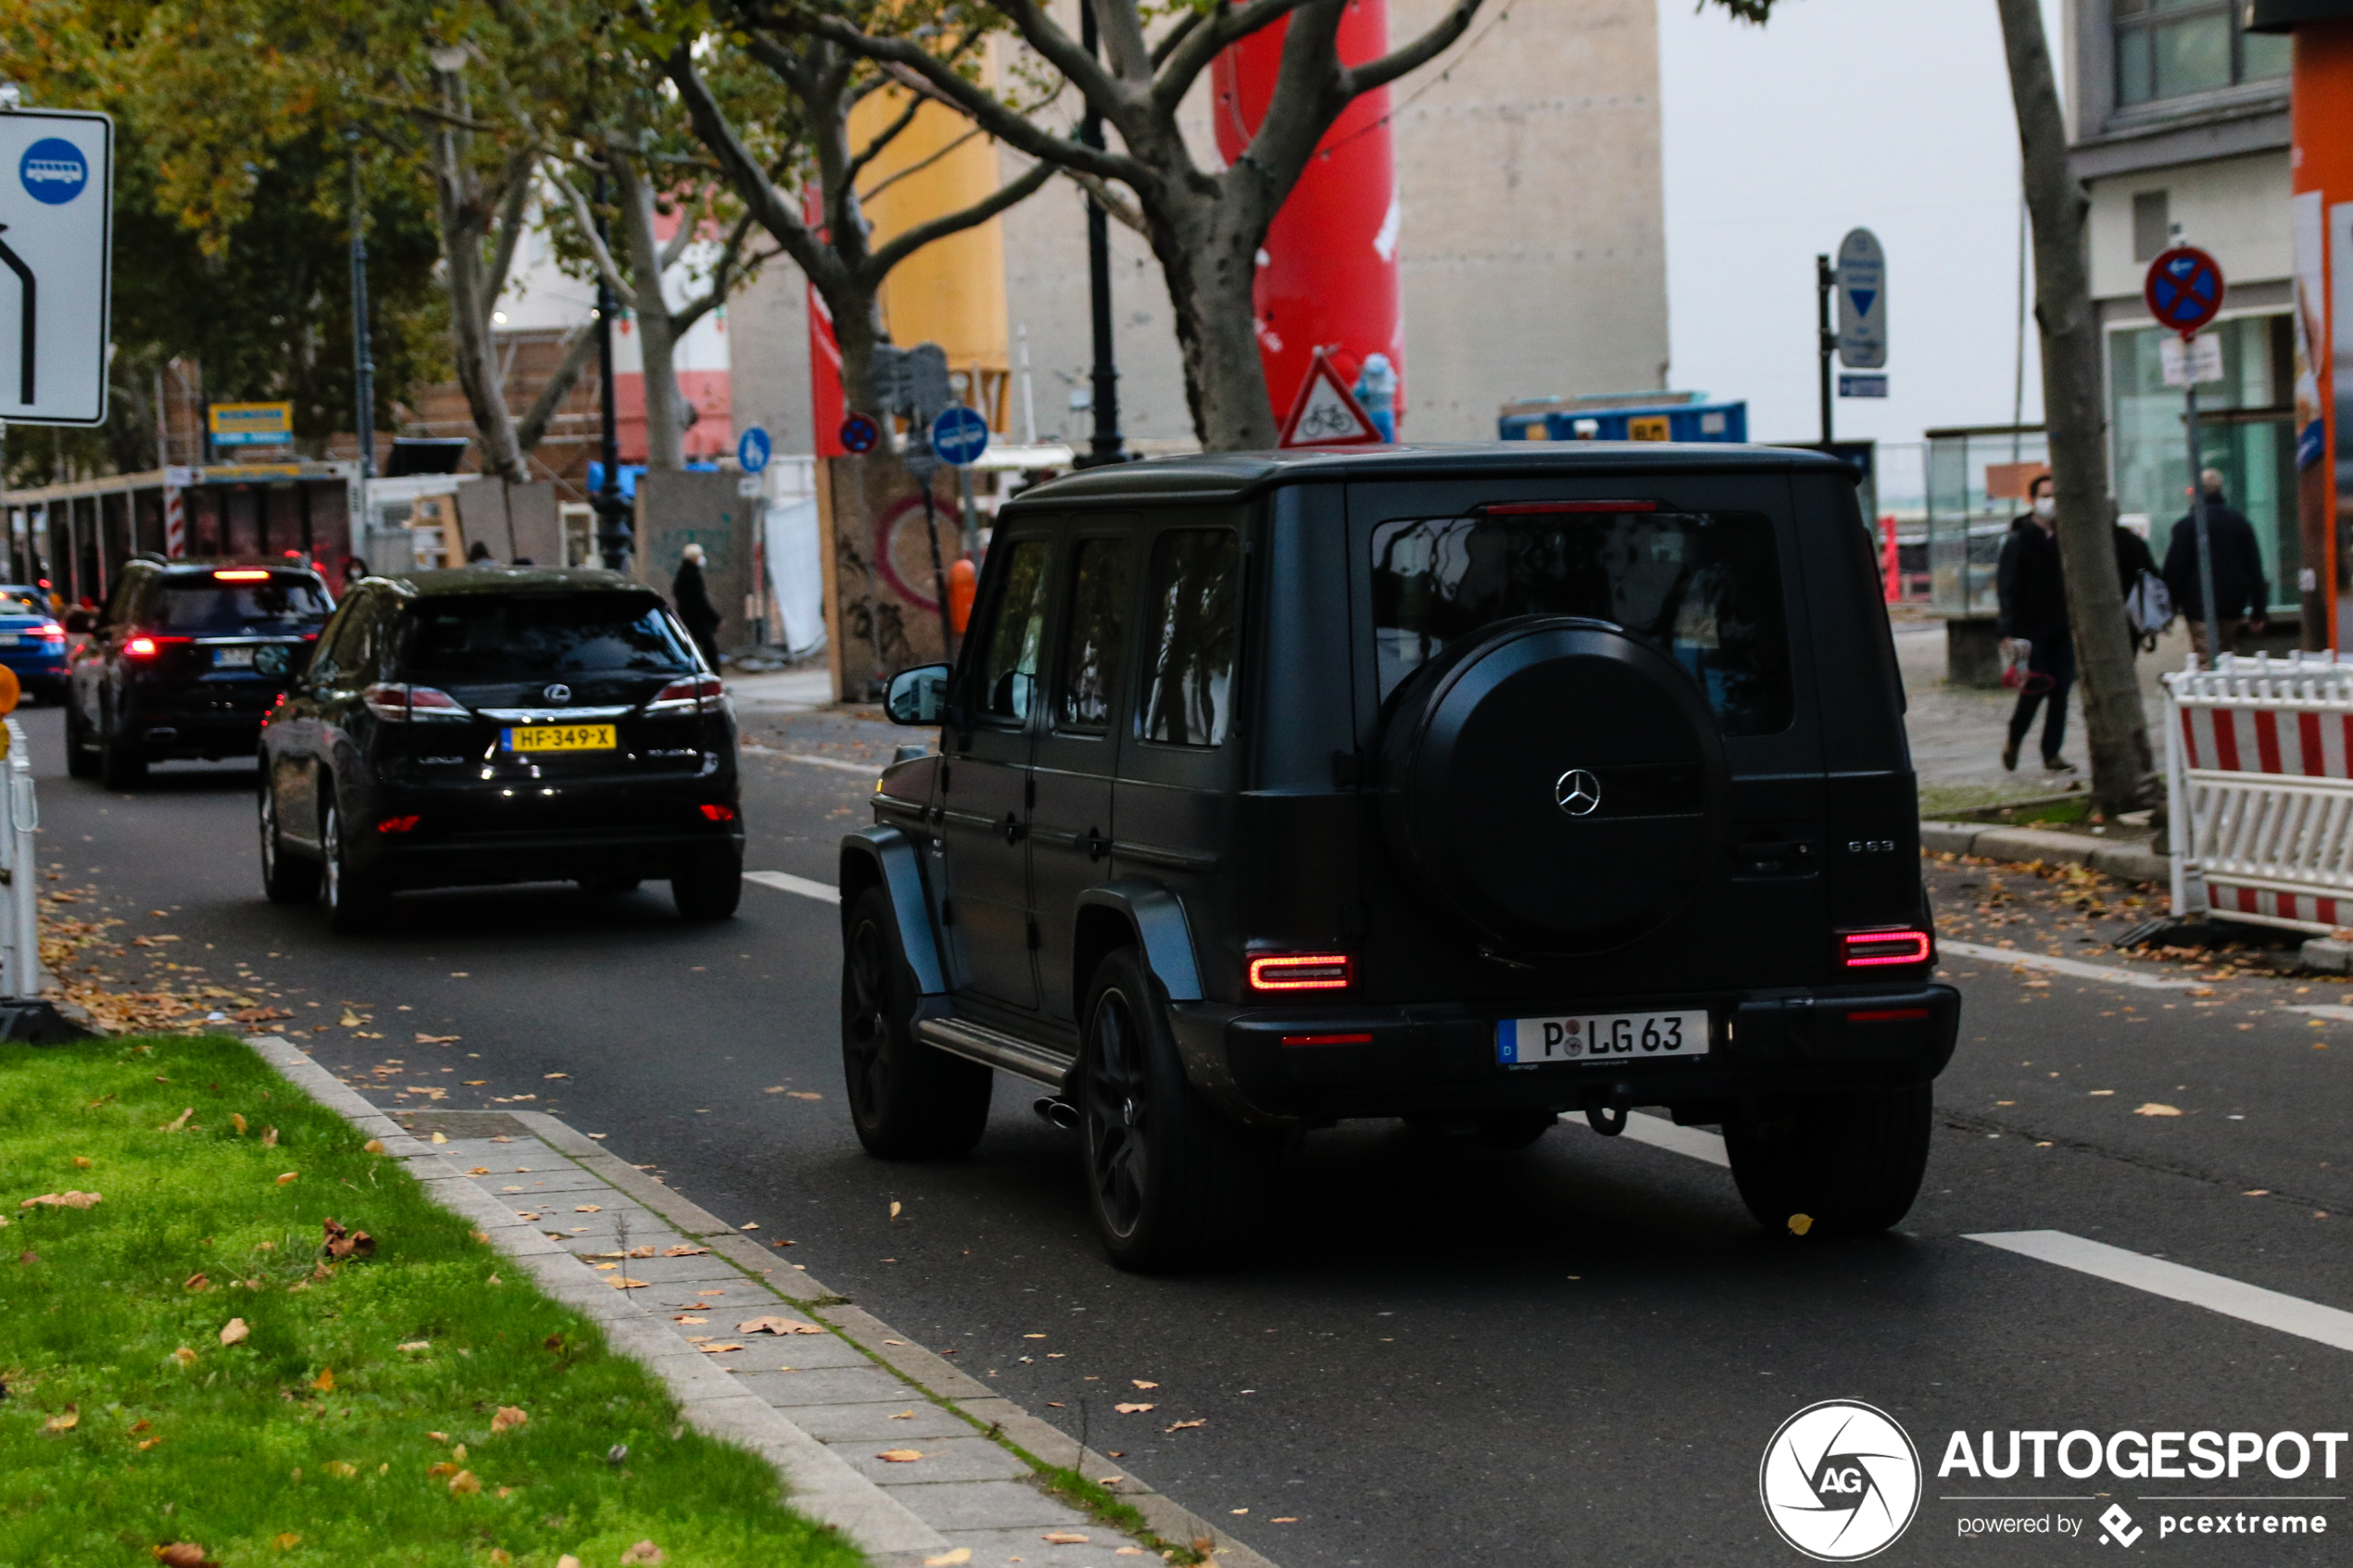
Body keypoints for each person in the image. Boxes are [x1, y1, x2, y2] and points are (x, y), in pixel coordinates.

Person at [1995, 473, 2074, 773]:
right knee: (2035, 689)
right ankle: (2014, 738)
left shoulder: (2065, 538)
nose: (2050, 502)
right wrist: (2006, 629)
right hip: (2029, 630)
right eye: (2044, 495)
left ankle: (2051, 752)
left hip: (2061, 627)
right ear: (2033, 500)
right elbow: (2007, 586)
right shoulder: (2019, 540)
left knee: (2061, 693)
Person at [2161, 468, 2268, 664]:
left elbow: (2175, 571)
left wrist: (2168, 608)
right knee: (2227, 656)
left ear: (2194, 493)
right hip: (2233, 605)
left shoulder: (2186, 526)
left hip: (2198, 606)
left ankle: (2212, 691)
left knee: (2207, 659)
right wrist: (2258, 610)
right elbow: (2254, 567)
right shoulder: (2240, 523)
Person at [673, 543, 723, 672]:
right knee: (709, 649)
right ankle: (713, 676)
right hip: (697, 620)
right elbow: (700, 600)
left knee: (693, 648)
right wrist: (714, 618)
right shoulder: (692, 575)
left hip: (689, 618)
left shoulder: (683, 573)